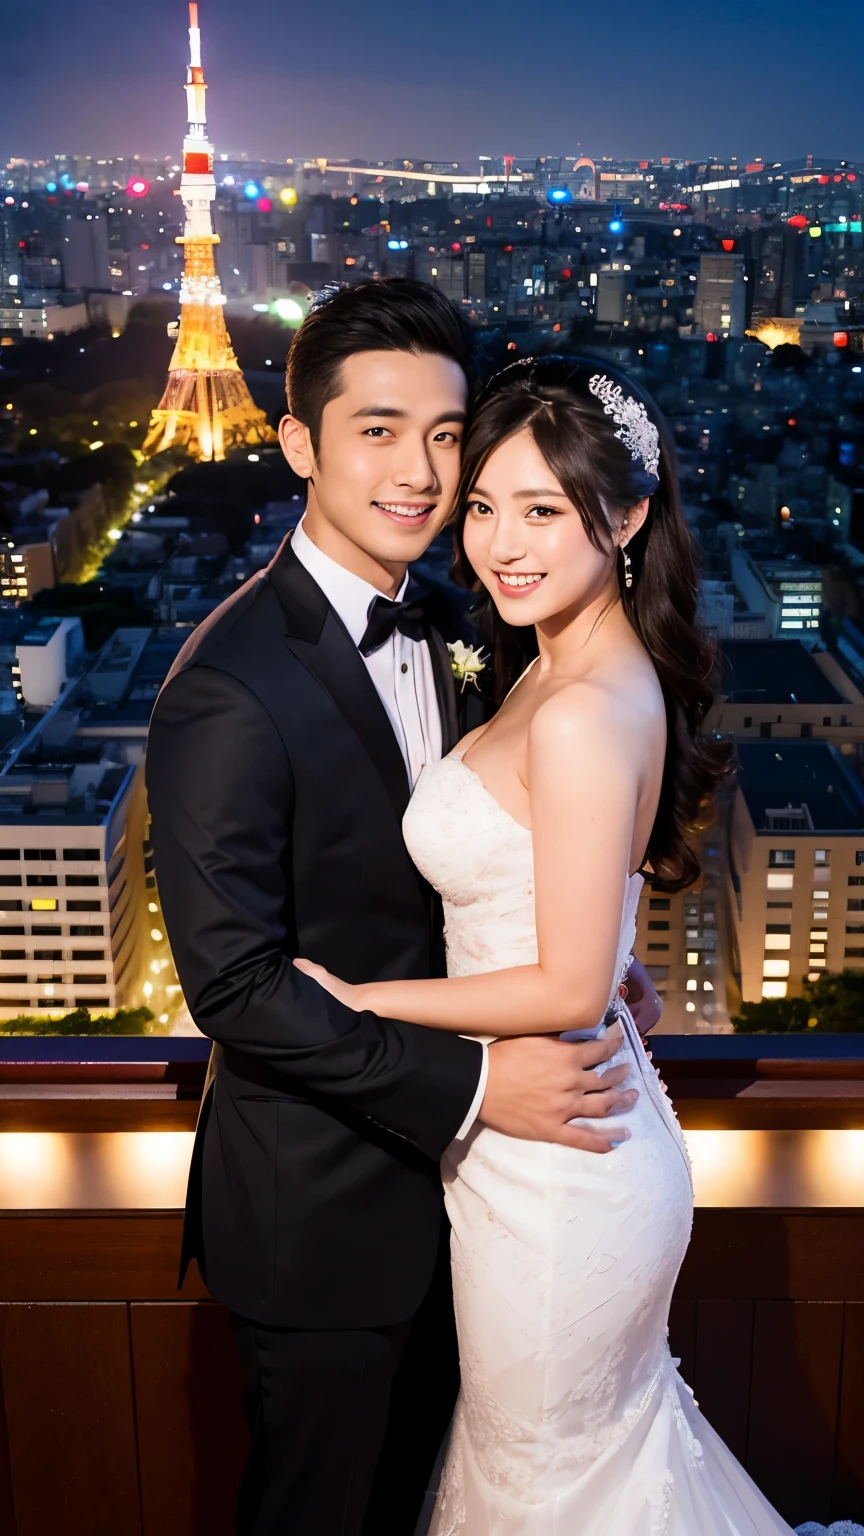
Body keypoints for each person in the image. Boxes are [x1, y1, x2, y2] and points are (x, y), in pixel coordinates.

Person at [145, 284, 654, 1536]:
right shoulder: (227, 685)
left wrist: (586, 951)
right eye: (377, 430)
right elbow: (237, 987)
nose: (423, 473)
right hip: (326, 1216)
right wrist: (480, 1088)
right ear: (299, 444)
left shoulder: (463, 612)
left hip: (486, 1207)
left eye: (445, 435)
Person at [297, 355, 797, 1534]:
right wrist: (614, 962)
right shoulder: (568, 665)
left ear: (624, 518)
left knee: (546, 1481)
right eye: (482, 506)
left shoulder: (575, 702)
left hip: (565, 1177)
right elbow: (573, 924)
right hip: (555, 1138)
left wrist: (359, 1000)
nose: (499, 544)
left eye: (542, 510)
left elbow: (566, 980)